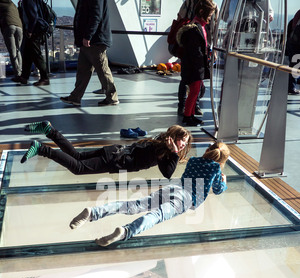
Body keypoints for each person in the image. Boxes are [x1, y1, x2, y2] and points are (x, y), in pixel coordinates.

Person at [69, 142, 229, 246]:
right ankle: (126, 231)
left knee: (134, 204)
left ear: (208, 150)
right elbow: (217, 189)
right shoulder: (215, 168)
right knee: (157, 215)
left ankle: (93, 212)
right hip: (186, 199)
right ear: (222, 161)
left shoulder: (193, 160)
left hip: (173, 188)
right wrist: (224, 181)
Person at [20, 121, 192, 178]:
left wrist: (173, 151)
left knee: (76, 156)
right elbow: (168, 173)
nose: (183, 145)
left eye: (185, 143)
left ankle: (49, 130)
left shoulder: (161, 144)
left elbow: (167, 168)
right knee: (78, 168)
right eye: (181, 140)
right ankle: (42, 149)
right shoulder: (163, 150)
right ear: (174, 137)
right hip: (115, 159)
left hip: (115, 152)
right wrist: (174, 152)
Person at [60, 0, 118, 107]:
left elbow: (96, 15)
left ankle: (112, 97)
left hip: (94, 40)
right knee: (83, 70)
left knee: (102, 69)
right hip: (89, 41)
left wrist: (88, 36)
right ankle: (75, 97)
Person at [177, 0, 216, 126]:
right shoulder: (195, 29)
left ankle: (191, 114)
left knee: (195, 91)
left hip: (195, 66)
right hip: (195, 67)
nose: (210, 18)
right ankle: (187, 116)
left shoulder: (199, 27)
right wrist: (202, 66)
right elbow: (195, 52)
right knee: (193, 92)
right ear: (201, 12)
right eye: (209, 15)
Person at [16, 0, 50, 86]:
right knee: (27, 54)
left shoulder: (29, 1)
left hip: (34, 32)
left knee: (36, 54)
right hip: (32, 31)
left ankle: (45, 78)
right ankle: (24, 77)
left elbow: (33, 16)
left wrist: (30, 31)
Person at [0, 0, 23, 82]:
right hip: (19, 27)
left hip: (9, 26)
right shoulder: (12, 4)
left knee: (12, 52)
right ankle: (21, 72)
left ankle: (18, 74)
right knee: (18, 51)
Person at [286, 10, 300, 95]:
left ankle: (291, 87)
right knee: (295, 66)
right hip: (296, 44)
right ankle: (291, 87)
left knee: (295, 65)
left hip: (293, 43)